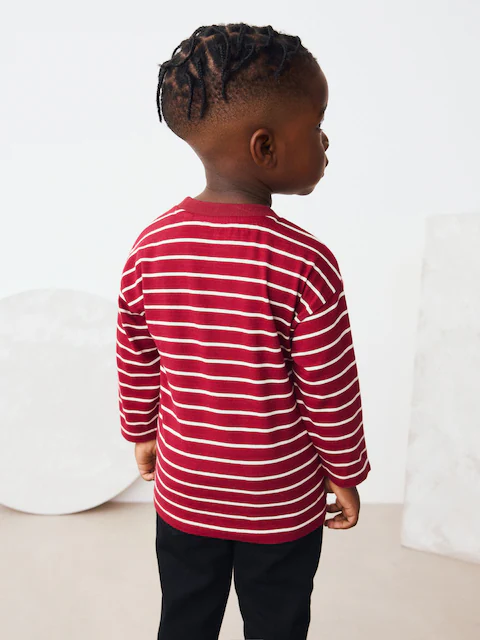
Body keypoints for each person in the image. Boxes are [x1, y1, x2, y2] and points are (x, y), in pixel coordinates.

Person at [116, 23, 371, 640]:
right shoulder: (305, 262)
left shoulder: (152, 247)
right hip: (278, 501)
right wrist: (345, 471)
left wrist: (141, 432)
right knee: (277, 623)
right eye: (316, 126)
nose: (326, 140)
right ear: (265, 147)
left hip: (186, 489)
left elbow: (138, 354)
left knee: (184, 618)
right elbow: (329, 390)